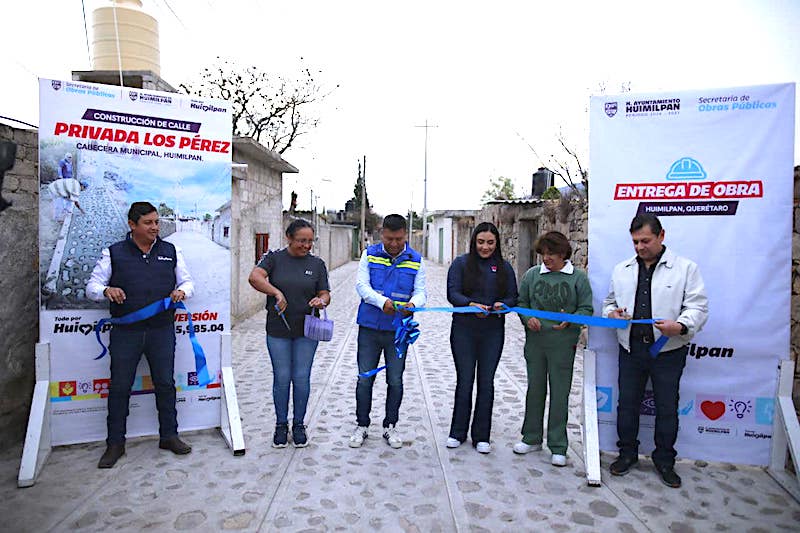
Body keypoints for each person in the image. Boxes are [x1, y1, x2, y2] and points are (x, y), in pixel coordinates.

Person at [602, 214, 708, 488]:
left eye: (645, 241)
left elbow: (697, 307)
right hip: (631, 348)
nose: (639, 247)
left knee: (666, 407)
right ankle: (627, 455)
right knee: (627, 405)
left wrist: (682, 326)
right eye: (635, 242)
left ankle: (664, 461)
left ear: (662, 236)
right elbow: (609, 303)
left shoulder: (686, 269)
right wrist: (612, 314)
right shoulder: (621, 269)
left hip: (669, 351)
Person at [87, 202, 195, 468]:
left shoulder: (171, 251)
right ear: (132, 225)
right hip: (127, 332)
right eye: (148, 223)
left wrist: (183, 292)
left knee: (165, 384)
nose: (155, 228)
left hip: (162, 330)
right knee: (120, 386)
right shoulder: (113, 253)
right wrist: (106, 291)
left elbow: (188, 282)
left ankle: (169, 436)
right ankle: (115, 444)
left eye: (156, 222)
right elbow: (92, 286)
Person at [248, 219, 331, 448]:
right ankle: (281, 425)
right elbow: (255, 277)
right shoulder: (274, 258)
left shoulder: (317, 264)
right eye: (301, 241)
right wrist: (276, 293)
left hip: (307, 329)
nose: (306, 245)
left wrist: (321, 301)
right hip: (278, 329)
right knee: (282, 378)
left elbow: (325, 293)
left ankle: (299, 425)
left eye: (310, 241)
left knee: (302, 378)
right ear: (289, 238)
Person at [513, 231, 592, 466]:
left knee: (560, 394)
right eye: (544, 254)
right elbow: (522, 303)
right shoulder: (531, 276)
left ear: (563, 254)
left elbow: (586, 308)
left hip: (563, 345)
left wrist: (572, 319)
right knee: (535, 390)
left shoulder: (577, 278)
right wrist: (528, 320)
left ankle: (558, 445)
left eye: (552, 254)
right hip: (536, 344)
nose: (546, 259)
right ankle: (531, 437)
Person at [350, 214, 426, 449]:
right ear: (382, 234)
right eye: (390, 238)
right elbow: (362, 286)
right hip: (370, 328)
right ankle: (362, 425)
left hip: (398, 331)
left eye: (399, 239)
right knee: (365, 378)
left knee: (395, 379)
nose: (394, 243)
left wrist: (414, 303)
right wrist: (380, 301)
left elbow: (421, 291)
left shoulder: (415, 260)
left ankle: (390, 426)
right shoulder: (370, 254)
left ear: (406, 235)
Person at [445, 222, 517, 454]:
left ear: (497, 244)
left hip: (493, 332)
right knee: (464, 381)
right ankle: (457, 432)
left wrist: (502, 305)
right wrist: (470, 304)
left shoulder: (504, 268)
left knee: (486, 382)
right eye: (481, 242)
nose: (485, 247)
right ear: (474, 242)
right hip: (464, 331)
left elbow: (513, 297)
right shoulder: (461, 264)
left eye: (490, 243)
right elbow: (452, 293)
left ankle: (482, 436)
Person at [48, 154, 87, 221]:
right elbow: (76, 202)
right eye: (85, 188)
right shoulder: (76, 188)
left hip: (59, 188)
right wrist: (81, 210)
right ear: (82, 186)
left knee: (68, 199)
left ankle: (67, 211)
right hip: (54, 189)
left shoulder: (75, 182)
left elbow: (70, 198)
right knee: (59, 205)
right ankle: (56, 219)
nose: (84, 190)